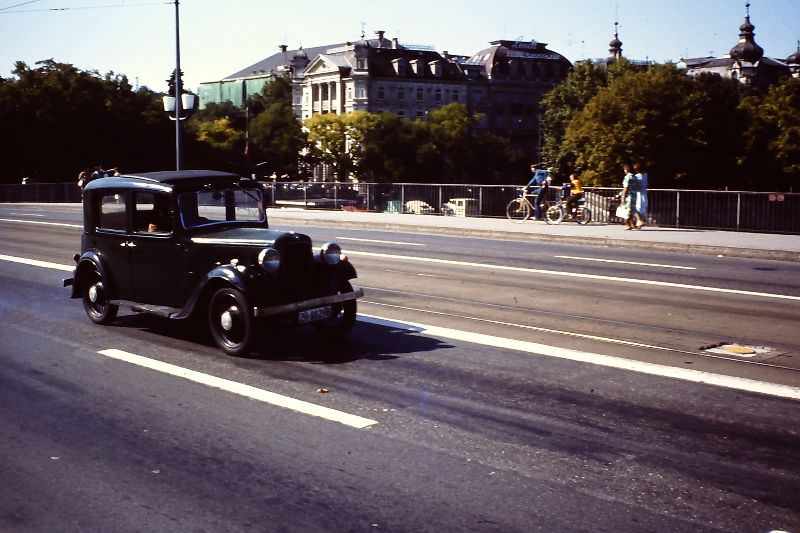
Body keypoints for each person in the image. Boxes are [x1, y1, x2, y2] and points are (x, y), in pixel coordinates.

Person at [620, 162, 639, 230]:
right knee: (631, 210)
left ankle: (628, 225)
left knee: (627, 210)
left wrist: (623, 197)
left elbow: (626, 188)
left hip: (629, 196)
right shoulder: (635, 177)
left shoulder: (627, 177)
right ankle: (632, 224)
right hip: (634, 195)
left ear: (626, 169)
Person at [633, 160, 648, 228]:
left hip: (638, 194)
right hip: (644, 193)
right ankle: (638, 224)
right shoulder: (645, 175)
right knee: (641, 209)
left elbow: (636, 185)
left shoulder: (636, 176)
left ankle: (639, 221)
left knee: (635, 208)